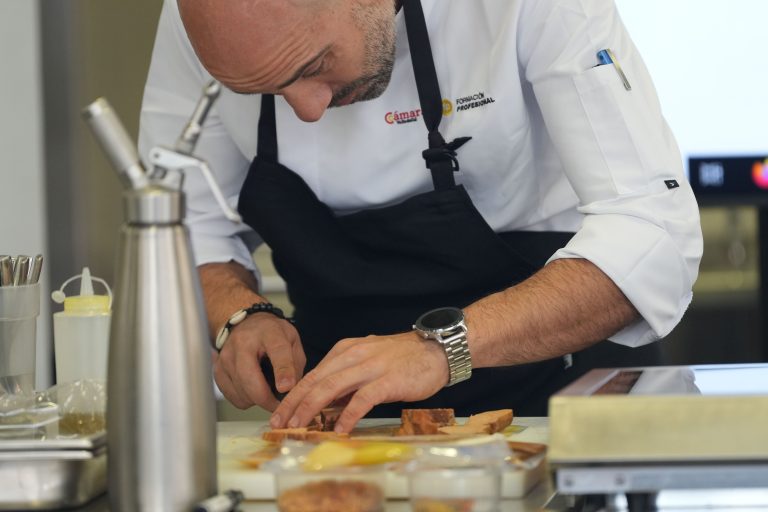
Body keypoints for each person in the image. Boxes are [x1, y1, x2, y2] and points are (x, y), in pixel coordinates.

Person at [138, 0, 702, 433]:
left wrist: (442, 346)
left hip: (556, 401)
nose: (307, 111)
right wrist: (240, 317)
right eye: (263, 89)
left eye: (314, 65)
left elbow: (652, 231)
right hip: (350, 428)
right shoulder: (204, 16)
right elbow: (183, 224)